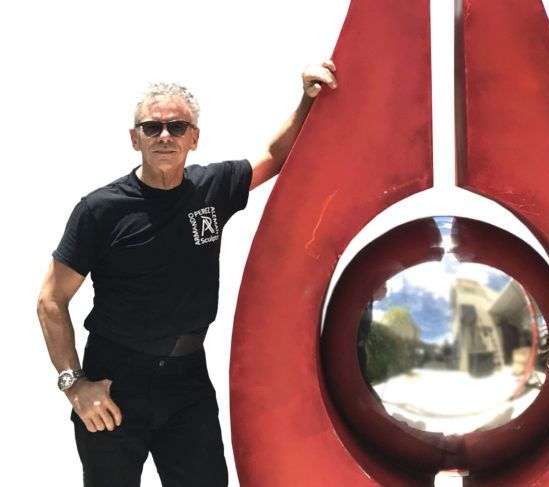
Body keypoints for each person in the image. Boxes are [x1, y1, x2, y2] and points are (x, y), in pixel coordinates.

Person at [36, 61, 338, 487]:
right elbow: (51, 299)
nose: (164, 136)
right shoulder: (99, 211)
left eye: (177, 127)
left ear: (194, 139)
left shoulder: (211, 189)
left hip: (187, 381)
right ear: (134, 137)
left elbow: (276, 156)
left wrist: (308, 99)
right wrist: (74, 384)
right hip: (114, 382)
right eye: (152, 127)